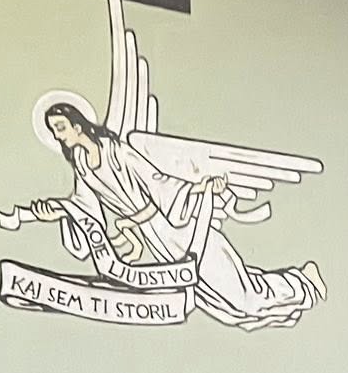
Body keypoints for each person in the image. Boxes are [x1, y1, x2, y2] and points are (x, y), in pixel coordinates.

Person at [23, 103, 324, 329]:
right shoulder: (82, 164)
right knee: (219, 303)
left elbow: (159, 183)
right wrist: (58, 212)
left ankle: (301, 281)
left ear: (78, 126)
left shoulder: (119, 153)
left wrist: (198, 188)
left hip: (178, 226)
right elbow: (84, 206)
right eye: (53, 130)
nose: (57, 135)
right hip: (156, 239)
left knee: (236, 293)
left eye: (60, 127)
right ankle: (294, 287)